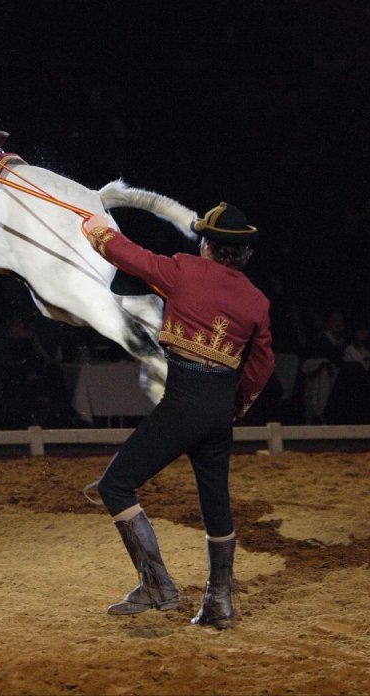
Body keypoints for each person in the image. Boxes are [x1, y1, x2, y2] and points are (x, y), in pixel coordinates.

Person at [81, 202, 274, 630]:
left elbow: (131, 256)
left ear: (207, 244)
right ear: (242, 254)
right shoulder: (257, 301)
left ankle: (157, 585)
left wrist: (95, 229)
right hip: (220, 408)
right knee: (216, 505)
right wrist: (235, 405)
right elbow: (262, 366)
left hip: (183, 400)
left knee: (115, 485)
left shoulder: (186, 269)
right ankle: (219, 602)